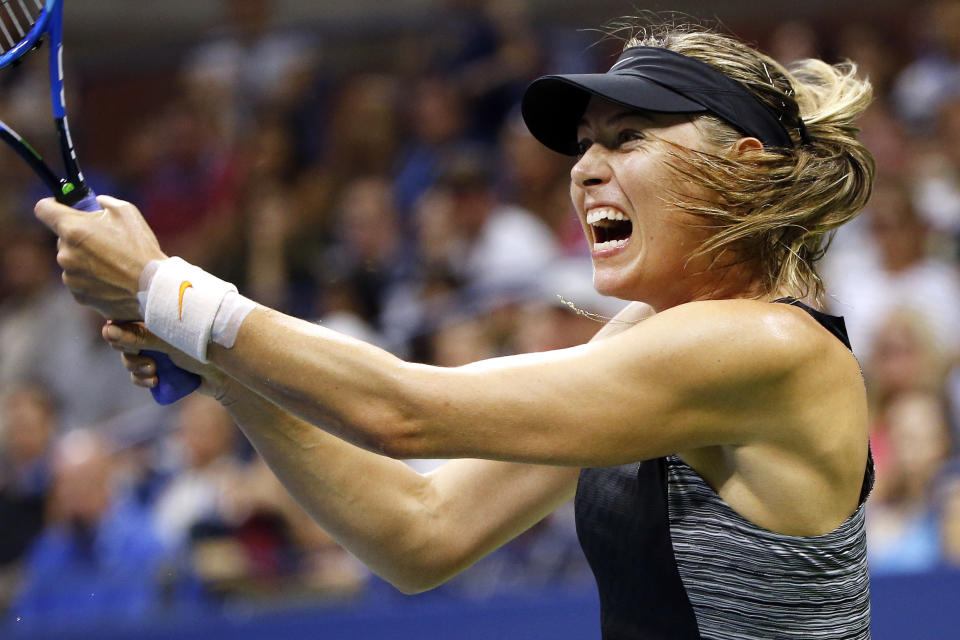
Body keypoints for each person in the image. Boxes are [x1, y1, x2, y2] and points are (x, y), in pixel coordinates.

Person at [34, 24, 875, 640]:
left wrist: (167, 288)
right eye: (585, 146)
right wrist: (222, 374)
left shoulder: (774, 350)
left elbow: (407, 412)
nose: (584, 170)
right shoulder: (642, 339)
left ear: (747, 164)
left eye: (629, 140)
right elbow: (420, 531)